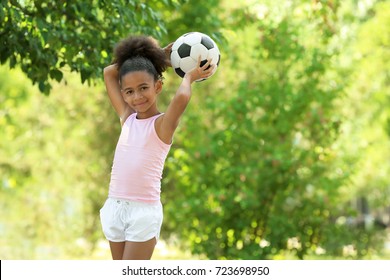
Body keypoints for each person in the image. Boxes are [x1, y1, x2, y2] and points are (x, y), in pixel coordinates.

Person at [100, 35, 215, 260]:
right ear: (123, 93)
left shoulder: (162, 126)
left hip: (142, 212)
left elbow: (181, 97)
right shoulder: (127, 118)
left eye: (144, 88)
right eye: (129, 91)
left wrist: (189, 77)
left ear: (158, 86)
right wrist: (157, 56)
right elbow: (109, 72)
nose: (137, 97)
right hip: (115, 206)